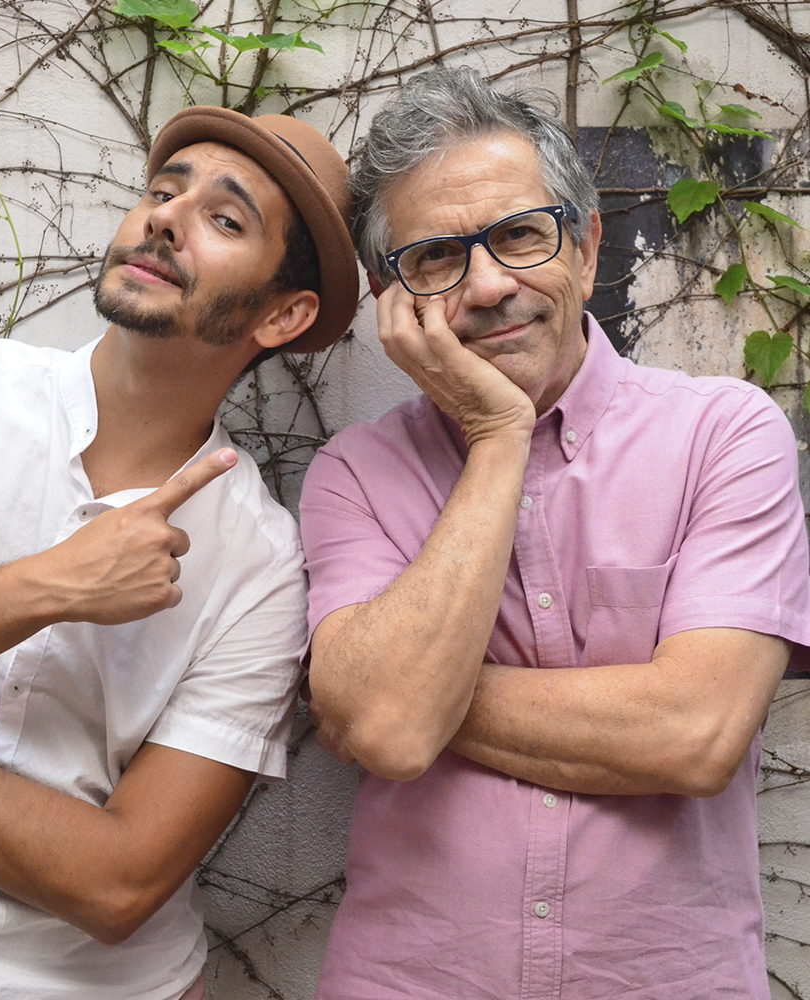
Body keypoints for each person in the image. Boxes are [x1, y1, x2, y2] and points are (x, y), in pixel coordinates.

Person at [0, 105, 359, 1000]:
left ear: (283, 312)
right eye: (161, 191)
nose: (165, 218)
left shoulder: (259, 567)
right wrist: (49, 586)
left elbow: (117, 886)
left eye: (225, 219)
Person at [300, 66, 810, 999]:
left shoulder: (726, 436)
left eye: (521, 236)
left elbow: (696, 734)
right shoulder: (353, 477)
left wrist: (424, 692)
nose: (489, 285)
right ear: (392, 304)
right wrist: (498, 438)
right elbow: (384, 724)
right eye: (436, 258)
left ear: (585, 249)